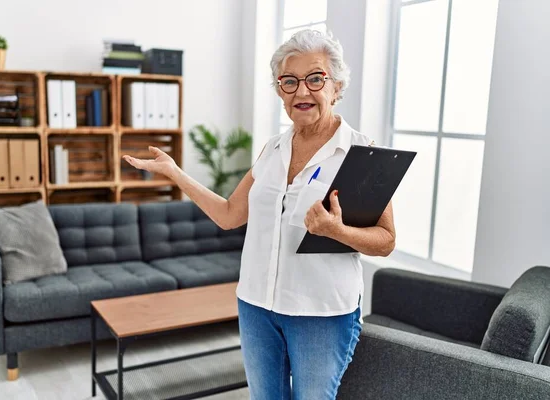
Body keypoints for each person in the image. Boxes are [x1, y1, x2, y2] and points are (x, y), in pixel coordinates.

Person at [123, 29, 395, 400]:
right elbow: (230, 214)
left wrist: (336, 230)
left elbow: (385, 241)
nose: (301, 91)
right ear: (280, 90)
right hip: (256, 305)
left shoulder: (362, 152)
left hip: (321, 314)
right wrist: (175, 172)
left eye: (315, 79)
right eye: (289, 81)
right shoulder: (272, 149)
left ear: (337, 85)